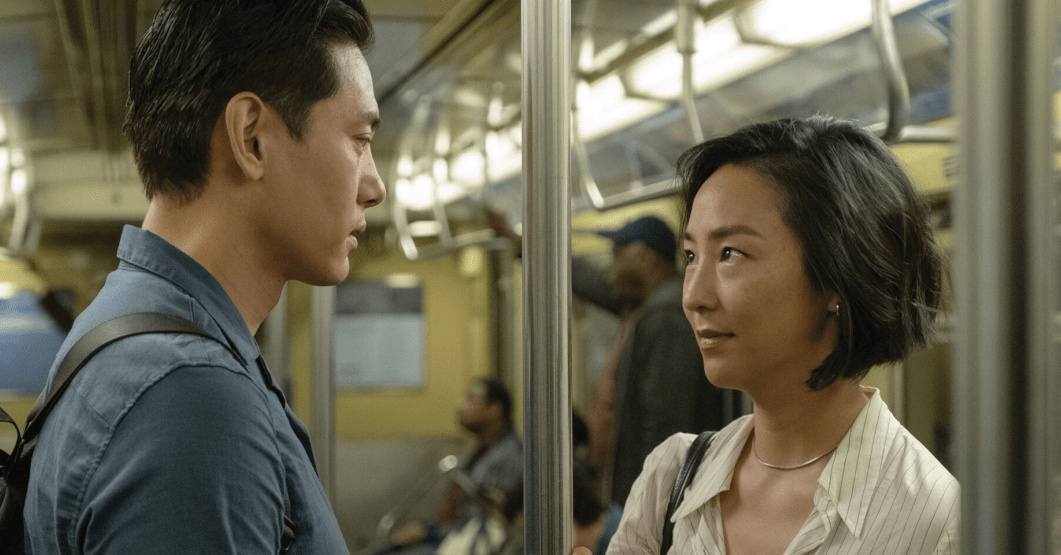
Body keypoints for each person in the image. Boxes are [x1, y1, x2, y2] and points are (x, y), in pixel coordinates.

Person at [23, 1, 384, 553]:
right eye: (359, 141)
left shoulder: (123, 331)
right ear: (252, 137)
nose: (374, 186)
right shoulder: (192, 404)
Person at [606, 116, 959, 554]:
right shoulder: (672, 479)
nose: (693, 296)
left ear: (837, 276)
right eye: (692, 256)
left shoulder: (934, 523)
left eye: (731, 254)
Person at [488, 211, 729, 507]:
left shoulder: (666, 319)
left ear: (647, 261)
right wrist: (520, 244)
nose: (611, 269)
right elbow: (585, 279)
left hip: (650, 499)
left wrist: (649, 506)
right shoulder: (641, 307)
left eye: (617, 255)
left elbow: (666, 426)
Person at [384, 378, 523, 554]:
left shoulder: (509, 457)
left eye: (471, 399)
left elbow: (487, 526)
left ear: (494, 410)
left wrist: (427, 532)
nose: (460, 406)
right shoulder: (482, 450)